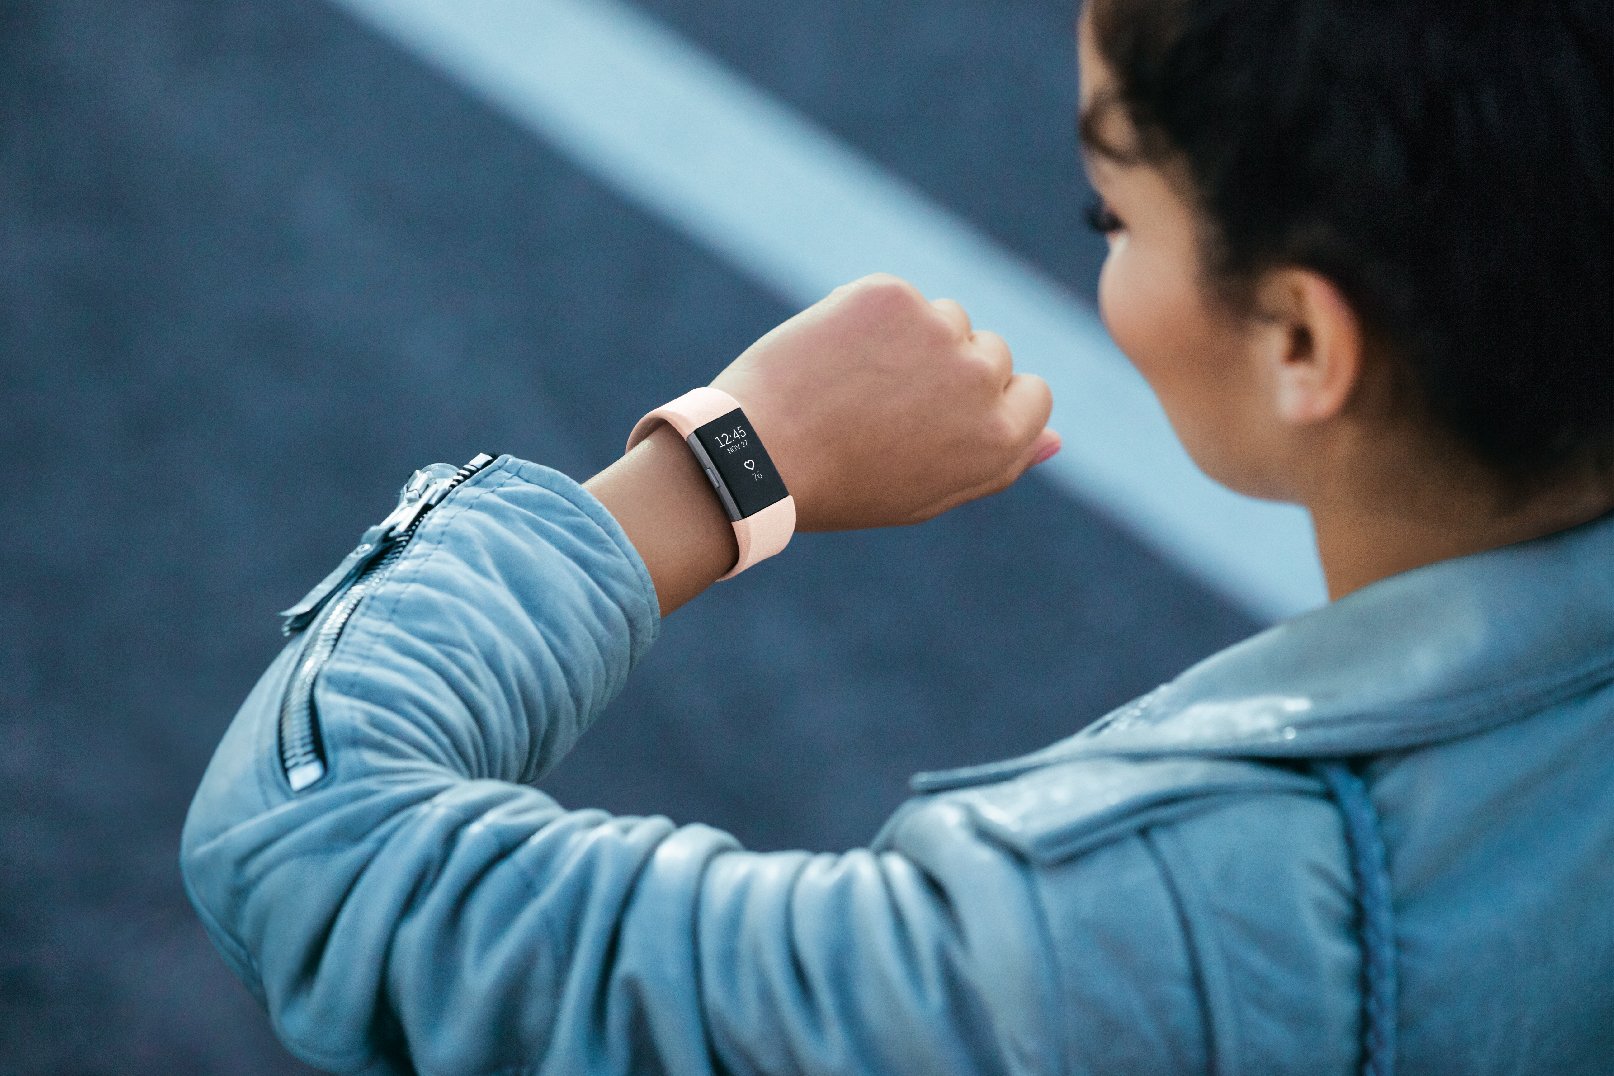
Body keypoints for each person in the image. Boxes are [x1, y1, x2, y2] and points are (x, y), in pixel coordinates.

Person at [181, 0, 1612, 1072]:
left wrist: (726, 465)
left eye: (1108, 209)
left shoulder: (1133, 946)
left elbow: (313, 842)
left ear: (1300, 336)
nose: (1097, 251)